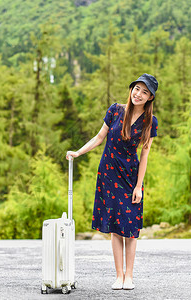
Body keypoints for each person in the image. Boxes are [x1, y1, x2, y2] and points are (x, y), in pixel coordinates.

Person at [66, 73, 158, 290]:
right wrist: (78, 152)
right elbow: (99, 138)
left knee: (131, 228)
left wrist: (138, 186)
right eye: (137, 89)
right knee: (116, 227)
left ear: (150, 98)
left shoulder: (149, 122)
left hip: (130, 176)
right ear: (131, 89)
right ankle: (119, 276)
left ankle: (129, 276)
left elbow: (144, 155)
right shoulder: (115, 110)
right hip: (108, 174)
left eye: (145, 92)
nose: (139, 94)